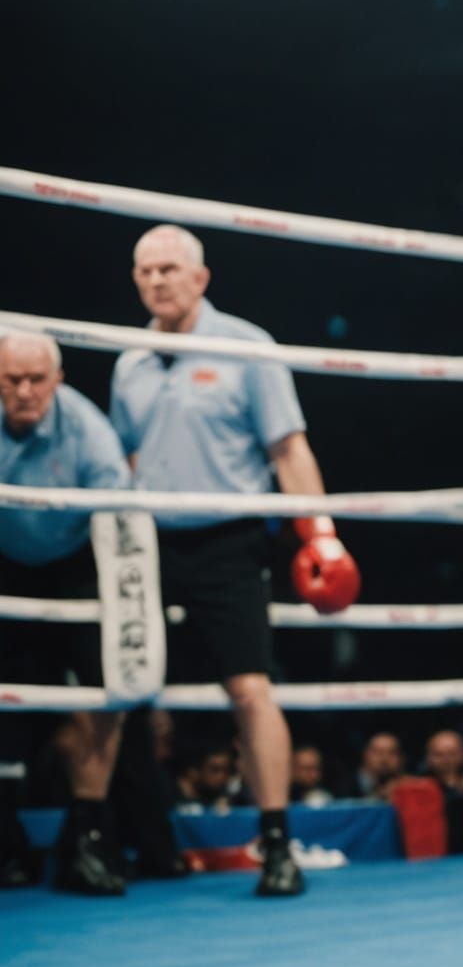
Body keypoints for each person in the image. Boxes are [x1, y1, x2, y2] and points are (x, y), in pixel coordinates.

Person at [110, 224, 361, 897]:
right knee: (125, 689)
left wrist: (322, 534)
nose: (156, 280)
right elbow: (127, 461)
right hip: (151, 542)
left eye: (169, 269)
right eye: (145, 270)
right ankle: (136, 839)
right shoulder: (127, 360)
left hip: (230, 538)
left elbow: (289, 450)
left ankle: (276, 842)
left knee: (249, 689)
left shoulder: (245, 346)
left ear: (200, 278)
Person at [0, 330, 133, 895]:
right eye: (12, 380)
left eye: (37, 380)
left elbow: (124, 513)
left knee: (108, 695)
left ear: (58, 381)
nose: (25, 391)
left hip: (77, 560)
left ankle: (84, 838)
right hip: (4, 558)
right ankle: (6, 841)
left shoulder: (89, 430)